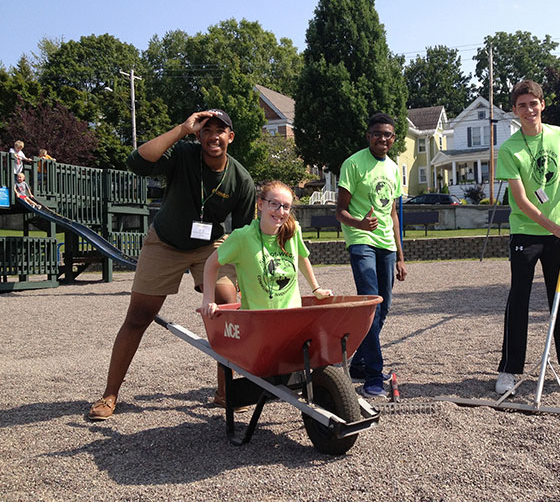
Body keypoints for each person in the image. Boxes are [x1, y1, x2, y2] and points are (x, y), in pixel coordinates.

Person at [88, 109, 256, 421]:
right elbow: (136, 163)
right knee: (139, 316)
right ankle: (110, 393)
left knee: (225, 304)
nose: (213, 136)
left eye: (220, 130)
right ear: (199, 135)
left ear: (230, 137)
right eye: (206, 129)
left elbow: (247, 237)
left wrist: (244, 284)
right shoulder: (183, 154)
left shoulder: (241, 180)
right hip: (165, 241)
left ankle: (225, 392)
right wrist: (181, 129)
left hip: (209, 246)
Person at [495, 80, 560, 396]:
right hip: (528, 232)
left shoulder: (558, 135)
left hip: (559, 231)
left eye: (533, 103)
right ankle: (509, 370)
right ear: (515, 111)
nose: (529, 110)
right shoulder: (510, 149)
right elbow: (523, 199)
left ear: (542, 104)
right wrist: (553, 228)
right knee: (520, 301)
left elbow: (555, 172)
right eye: (522, 105)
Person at [335, 112, 407, 397]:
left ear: (393, 138)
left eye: (388, 134)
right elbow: (339, 211)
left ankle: (360, 364)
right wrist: (360, 223)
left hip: (387, 245)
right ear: (368, 136)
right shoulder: (353, 164)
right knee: (372, 304)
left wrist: (401, 256)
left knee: (384, 306)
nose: (383, 139)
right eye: (377, 134)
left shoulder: (392, 168)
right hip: (361, 240)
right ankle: (374, 376)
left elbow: (392, 214)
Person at [200, 180, 333, 317]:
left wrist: (316, 289)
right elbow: (212, 263)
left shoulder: (293, 231)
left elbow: (301, 257)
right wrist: (208, 300)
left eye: (286, 206)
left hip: (291, 316)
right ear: (260, 204)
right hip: (257, 319)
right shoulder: (242, 237)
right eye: (273, 204)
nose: (280, 211)